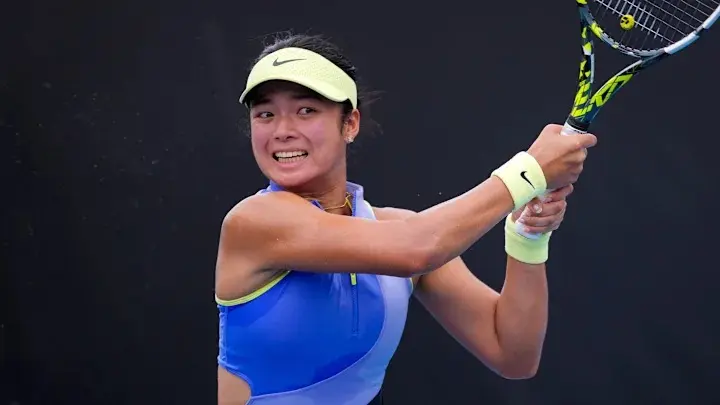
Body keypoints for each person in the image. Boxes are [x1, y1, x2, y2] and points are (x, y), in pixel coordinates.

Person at [214, 32, 597, 405]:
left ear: (350, 123)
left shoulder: (397, 229)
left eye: (306, 110)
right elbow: (418, 247)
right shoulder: (254, 221)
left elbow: (513, 354)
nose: (282, 131)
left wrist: (527, 237)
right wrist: (530, 171)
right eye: (265, 114)